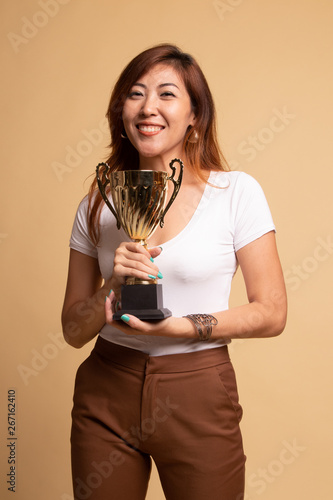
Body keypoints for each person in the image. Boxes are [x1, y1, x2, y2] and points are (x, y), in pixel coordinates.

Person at [62, 44, 287, 500]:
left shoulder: (236, 193)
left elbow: (272, 313)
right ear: (121, 113)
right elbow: (71, 330)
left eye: (167, 94)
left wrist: (181, 327)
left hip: (198, 391)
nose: (148, 108)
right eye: (135, 94)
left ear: (194, 116)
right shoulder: (96, 206)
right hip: (105, 390)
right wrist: (112, 285)